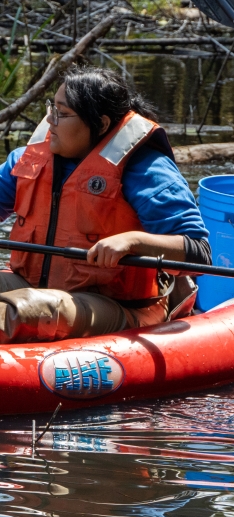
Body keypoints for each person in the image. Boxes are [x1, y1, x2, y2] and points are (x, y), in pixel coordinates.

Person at [0, 65, 211, 343]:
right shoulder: (26, 160)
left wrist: (134, 241)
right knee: (33, 302)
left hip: (117, 307)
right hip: (31, 284)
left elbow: (200, 253)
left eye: (62, 114)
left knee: (28, 310)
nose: (50, 120)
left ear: (100, 124)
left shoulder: (144, 170)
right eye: (52, 108)